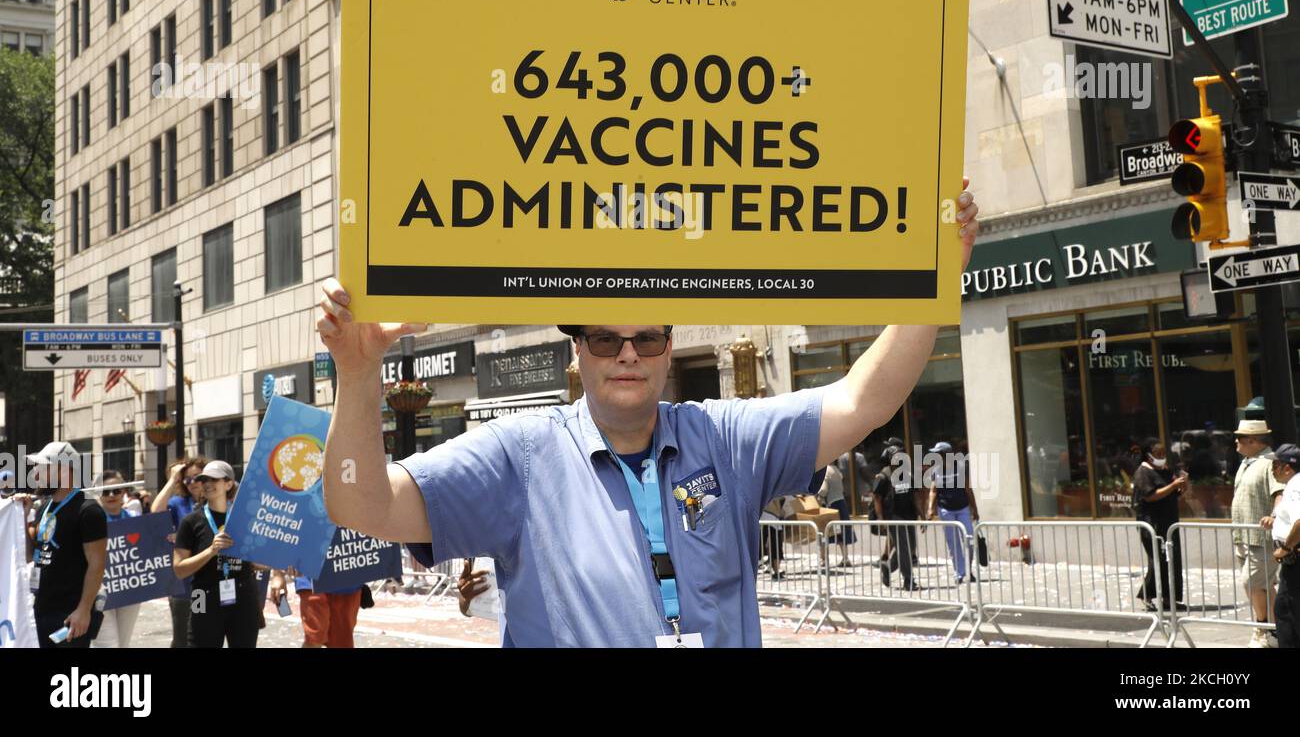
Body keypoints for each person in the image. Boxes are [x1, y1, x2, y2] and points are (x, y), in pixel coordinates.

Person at [316, 184, 980, 647]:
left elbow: (865, 400)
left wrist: (941, 275)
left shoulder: (722, 438)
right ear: (578, 352)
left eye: (649, 339)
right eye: (606, 339)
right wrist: (358, 371)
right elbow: (361, 507)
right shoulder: (520, 456)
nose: (628, 356)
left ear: (668, 350)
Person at [173, 460, 261, 648]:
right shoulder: (190, 521)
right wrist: (211, 551)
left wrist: (286, 564)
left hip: (243, 592)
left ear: (228, 484)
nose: (207, 483)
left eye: (214, 479)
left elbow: (258, 560)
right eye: (204, 479)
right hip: (202, 594)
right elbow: (179, 570)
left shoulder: (245, 518)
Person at [27, 441, 107, 648]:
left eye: (42, 467)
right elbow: (32, 555)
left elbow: (96, 564)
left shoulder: (88, 510)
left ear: (63, 470)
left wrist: (83, 609)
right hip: (42, 607)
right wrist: (22, 518)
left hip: (70, 613)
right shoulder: (44, 507)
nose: (35, 473)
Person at [1230, 406, 1284, 648]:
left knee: (1251, 582)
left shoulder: (1269, 462)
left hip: (1261, 536)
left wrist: (1274, 514)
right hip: (1244, 535)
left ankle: (1262, 630)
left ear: (1252, 440)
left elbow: (1280, 492)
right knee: (1262, 585)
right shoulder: (1247, 461)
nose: (1236, 441)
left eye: (1240, 438)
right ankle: (1275, 630)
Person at [153, 455, 207, 648]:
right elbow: (156, 510)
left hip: (207, 584)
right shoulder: (178, 503)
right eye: (188, 479)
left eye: (197, 477)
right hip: (182, 585)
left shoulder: (216, 503)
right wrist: (173, 479)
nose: (193, 483)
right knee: (182, 638)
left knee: (204, 635)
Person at [1131, 441, 1186, 611]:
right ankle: (1147, 595)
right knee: (1158, 561)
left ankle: (1170, 598)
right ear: (1149, 455)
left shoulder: (1165, 470)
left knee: (1174, 560)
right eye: (1159, 454)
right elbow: (1150, 496)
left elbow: (1176, 493)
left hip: (1169, 522)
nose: (1162, 458)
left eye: (1164, 454)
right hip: (1151, 523)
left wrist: (1183, 483)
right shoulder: (1143, 472)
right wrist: (1172, 486)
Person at [91, 469, 144, 648]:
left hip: (130, 589)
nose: (111, 495)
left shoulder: (136, 520)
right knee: (107, 644)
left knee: (123, 643)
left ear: (124, 492)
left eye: (116, 490)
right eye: (106, 491)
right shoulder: (89, 520)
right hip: (99, 591)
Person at [926, 441, 980, 585]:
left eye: (938, 454)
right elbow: (933, 491)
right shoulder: (936, 471)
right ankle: (959, 573)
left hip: (962, 508)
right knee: (953, 543)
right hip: (945, 510)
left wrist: (975, 509)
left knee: (969, 539)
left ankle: (968, 570)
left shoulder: (961, 467)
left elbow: (968, 489)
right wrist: (930, 509)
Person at [269, 568, 364, 649]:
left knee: (342, 642)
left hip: (347, 577)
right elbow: (283, 545)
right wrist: (278, 574)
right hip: (311, 577)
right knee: (315, 637)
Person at [1264, 444, 1300, 648]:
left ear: (1288, 467)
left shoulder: (1296, 485)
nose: (1272, 469)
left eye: (1275, 465)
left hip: (1295, 560)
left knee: (1287, 617)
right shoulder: (1293, 485)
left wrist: (1286, 548)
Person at [874, 445, 920, 590]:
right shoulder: (884, 476)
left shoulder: (907, 473)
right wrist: (881, 518)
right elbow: (876, 498)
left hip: (909, 515)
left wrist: (922, 515)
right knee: (904, 548)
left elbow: (916, 496)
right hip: (893, 516)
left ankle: (887, 567)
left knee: (911, 546)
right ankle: (909, 580)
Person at [819, 457, 852, 568]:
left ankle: (823, 559)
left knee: (824, 532)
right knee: (840, 533)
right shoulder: (837, 470)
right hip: (841, 503)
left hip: (831, 505)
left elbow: (823, 490)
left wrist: (816, 493)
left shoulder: (826, 471)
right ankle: (845, 557)